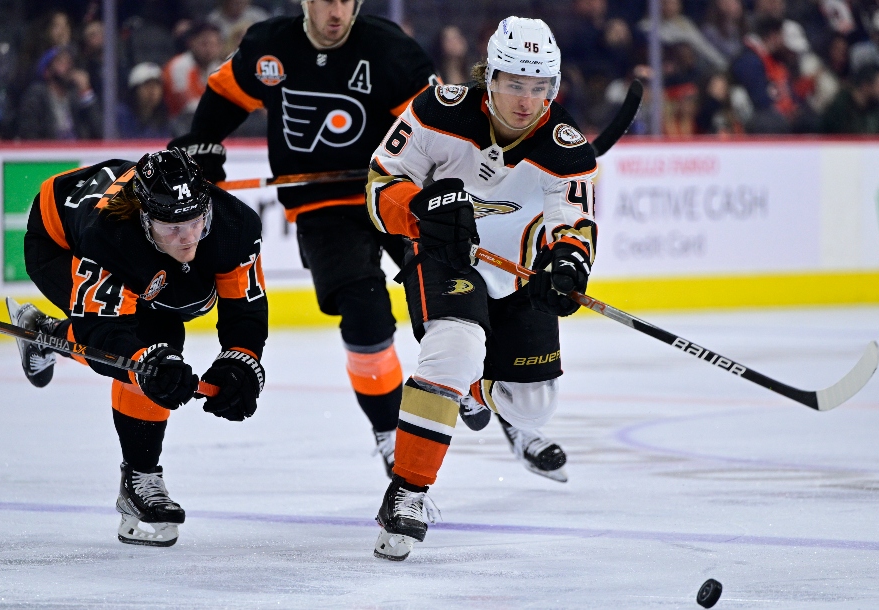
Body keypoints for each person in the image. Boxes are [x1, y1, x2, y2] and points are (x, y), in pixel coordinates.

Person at [168, 0, 440, 479]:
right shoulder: (269, 46)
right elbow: (226, 94)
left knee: (443, 290)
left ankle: (479, 381)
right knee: (364, 313)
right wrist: (203, 143)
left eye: (345, 0)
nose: (335, 11)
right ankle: (389, 434)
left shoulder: (389, 50)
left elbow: (436, 127)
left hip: (394, 191)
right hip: (321, 206)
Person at [365, 16, 598, 560]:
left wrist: (566, 264)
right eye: (515, 83)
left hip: (516, 270)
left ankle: (472, 391)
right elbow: (379, 185)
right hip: (444, 258)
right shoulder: (435, 111)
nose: (525, 100)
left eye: (539, 87)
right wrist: (418, 210)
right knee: (455, 345)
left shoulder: (565, 147)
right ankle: (407, 493)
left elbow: (575, 224)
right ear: (488, 76)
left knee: (533, 406)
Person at [6, 149, 268, 547]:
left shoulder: (235, 224)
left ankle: (44, 331)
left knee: (163, 336)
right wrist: (147, 363)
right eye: (172, 227)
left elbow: (246, 310)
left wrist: (241, 362)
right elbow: (103, 332)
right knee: (154, 347)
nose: (188, 237)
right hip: (56, 240)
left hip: (136, 250)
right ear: (145, 217)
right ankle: (139, 480)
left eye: (196, 221)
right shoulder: (109, 235)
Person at [163, 20, 227, 134]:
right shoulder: (179, 66)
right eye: (204, 44)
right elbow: (188, 106)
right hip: (177, 124)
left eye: (214, 44)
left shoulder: (220, 68)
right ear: (191, 43)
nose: (209, 50)